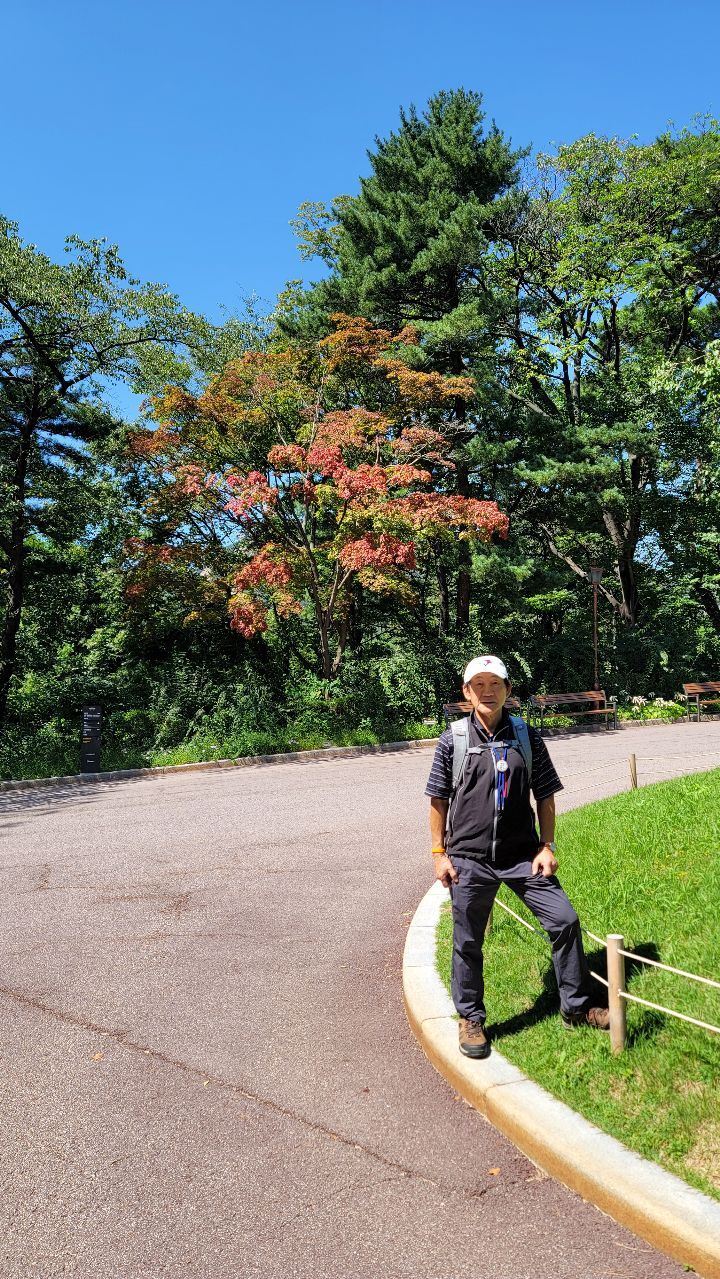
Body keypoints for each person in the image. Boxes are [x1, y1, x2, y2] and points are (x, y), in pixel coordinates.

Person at [426, 655, 609, 1059]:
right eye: (479, 685)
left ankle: (576, 1008)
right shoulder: (453, 740)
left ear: (508, 690)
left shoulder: (527, 736)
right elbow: (438, 800)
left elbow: (545, 795)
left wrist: (547, 846)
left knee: (564, 920)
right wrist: (440, 854)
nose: (487, 692)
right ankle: (471, 1018)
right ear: (467, 692)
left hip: (523, 855)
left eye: (495, 684)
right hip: (469, 858)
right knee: (468, 940)